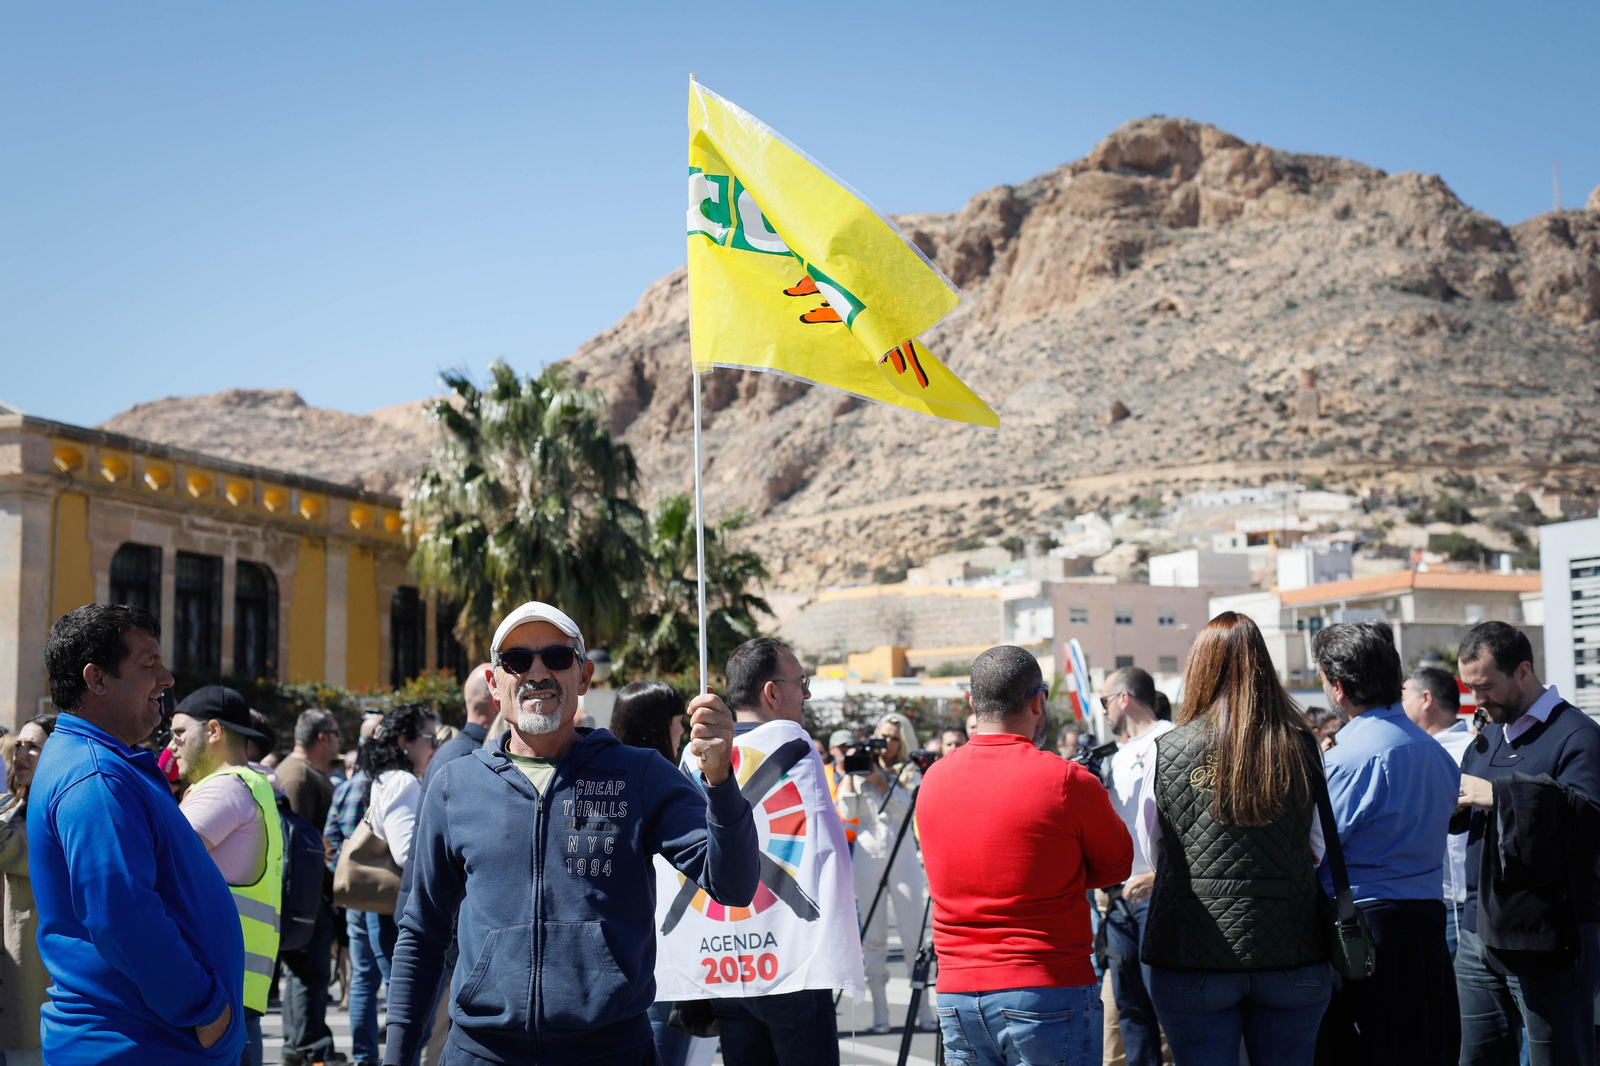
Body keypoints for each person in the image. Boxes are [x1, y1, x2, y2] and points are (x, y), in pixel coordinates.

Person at [383, 601, 759, 1066]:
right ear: (496, 685)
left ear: (582, 678)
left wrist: (721, 782)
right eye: (518, 660)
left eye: (557, 657)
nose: (537, 671)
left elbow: (735, 886)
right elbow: (422, 932)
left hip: (612, 1052)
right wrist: (397, 1055)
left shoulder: (639, 773)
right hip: (480, 1053)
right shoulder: (454, 787)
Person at [30, 603, 244, 1064]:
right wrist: (206, 1011)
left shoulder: (98, 764)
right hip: (139, 1043)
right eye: (148, 664)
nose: (166, 678)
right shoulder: (95, 779)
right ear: (97, 679)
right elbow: (124, 915)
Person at [1134, 612, 1330, 1065]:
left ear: (1199, 668)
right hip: (1291, 948)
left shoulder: (1167, 748)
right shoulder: (1300, 745)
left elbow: (1153, 848)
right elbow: (1318, 845)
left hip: (1193, 950)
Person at [920, 645, 1130, 1065]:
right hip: (1046, 987)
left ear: (973, 704)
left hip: (958, 989)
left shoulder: (934, 780)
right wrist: (1057, 872)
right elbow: (1116, 866)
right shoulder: (1067, 780)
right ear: (1038, 701)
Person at [672, 637, 854, 1066]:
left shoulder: (692, 754)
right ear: (772, 692)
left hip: (722, 962)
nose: (806, 694)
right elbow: (827, 854)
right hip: (791, 961)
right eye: (801, 683)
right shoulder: (798, 746)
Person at [1310, 621, 1460, 1065]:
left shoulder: (1347, 760)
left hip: (1366, 940)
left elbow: (1311, 851)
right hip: (1428, 929)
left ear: (1338, 688)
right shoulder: (1435, 752)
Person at [1453, 621, 1600, 1066]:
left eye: (1485, 686)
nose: (1477, 699)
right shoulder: (1489, 732)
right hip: (1477, 930)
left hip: (1548, 936)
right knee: (1478, 1057)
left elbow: (1588, 818)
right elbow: (1466, 810)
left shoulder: (1578, 735)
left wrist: (1496, 794)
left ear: (1523, 671)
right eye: (1470, 687)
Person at [168, 687, 285, 1066]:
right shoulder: (255, 786)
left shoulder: (222, 788)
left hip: (214, 986)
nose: (171, 747)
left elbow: (158, 863)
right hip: (239, 984)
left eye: (179, 733)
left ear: (213, 731)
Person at [391, 666, 499, 1066]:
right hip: (446, 920)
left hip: (432, 912)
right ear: (494, 696)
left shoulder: (448, 753)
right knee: (438, 1030)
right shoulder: (466, 759)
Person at [836, 710, 936, 1033]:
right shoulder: (863, 768)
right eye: (884, 736)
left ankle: (924, 1010)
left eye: (895, 737)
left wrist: (880, 779)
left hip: (903, 852)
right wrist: (852, 769)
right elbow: (847, 811)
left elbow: (909, 807)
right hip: (867, 853)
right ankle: (881, 1012)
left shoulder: (910, 770)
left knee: (912, 936)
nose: (888, 743)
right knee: (874, 939)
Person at [610, 681, 693, 1066]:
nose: (684, 731)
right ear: (660, 725)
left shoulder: (607, 783)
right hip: (664, 966)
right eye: (678, 721)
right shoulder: (665, 788)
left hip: (635, 968)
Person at [1098, 667, 1173, 1066]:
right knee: (1129, 1007)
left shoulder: (1171, 739)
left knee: (1164, 1007)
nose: (1104, 710)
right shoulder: (1119, 755)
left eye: (1105, 700)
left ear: (1123, 698)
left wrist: (1161, 876)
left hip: (1159, 894)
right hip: (1120, 898)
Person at [273, 709, 344, 1066]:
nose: (339, 740)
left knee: (304, 975)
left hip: (308, 895)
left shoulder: (299, 771)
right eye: (335, 732)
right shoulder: (298, 775)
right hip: (305, 897)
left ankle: (300, 1044)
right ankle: (307, 1046)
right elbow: (297, 847)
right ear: (322, 737)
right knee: (308, 974)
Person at [1400, 665, 1474, 956]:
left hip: (1454, 901)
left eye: (1404, 695)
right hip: (1439, 898)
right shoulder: (1474, 746)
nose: (1398, 704)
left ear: (1426, 699)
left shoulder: (1462, 751)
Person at [324, 715, 383, 1066]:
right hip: (380, 894)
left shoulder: (346, 785)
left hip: (356, 896)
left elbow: (330, 836)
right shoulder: (381, 784)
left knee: (362, 978)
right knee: (392, 975)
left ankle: (365, 1057)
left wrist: (342, 875)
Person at [0, 715, 56, 1066]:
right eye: (18, 744)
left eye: (33, 747)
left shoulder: (52, 815)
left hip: (28, 987)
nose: (21, 753)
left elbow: (7, 845)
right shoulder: (10, 805)